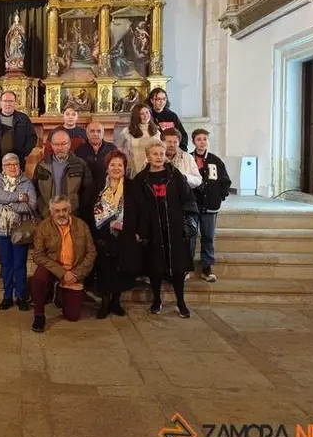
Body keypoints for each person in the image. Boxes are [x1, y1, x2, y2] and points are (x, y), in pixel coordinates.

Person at [128, 140, 199, 318]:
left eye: (161, 153)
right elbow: (136, 207)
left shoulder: (176, 176)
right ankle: (157, 300)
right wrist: (139, 230)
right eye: (155, 154)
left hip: (175, 229)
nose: (159, 157)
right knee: (156, 267)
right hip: (152, 230)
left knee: (177, 268)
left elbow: (188, 201)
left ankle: (181, 301)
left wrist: (186, 225)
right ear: (148, 156)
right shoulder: (141, 180)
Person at [30, 196, 96, 333]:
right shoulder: (43, 227)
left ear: (69, 210)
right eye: (57, 211)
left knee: (72, 316)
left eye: (64, 210)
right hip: (53, 269)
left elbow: (91, 253)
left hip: (74, 271)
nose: (61, 214)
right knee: (39, 277)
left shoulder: (82, 226)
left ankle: (60, 292)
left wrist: (76, 274)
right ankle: (39, 315)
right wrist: (62, 273)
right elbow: (38, 255)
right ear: (51, 212)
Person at [0, 90, 37, 226]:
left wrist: (22, 154)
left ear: (15, 103)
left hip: (16, 164)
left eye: (11, 101)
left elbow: (32, 138)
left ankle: (17, 219)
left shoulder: (23, 119)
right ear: (0, 103)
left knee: (16, 191)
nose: (8, 104)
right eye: (5, 101)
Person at [0, 153, 37, 311]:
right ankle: (7, 296)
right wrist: (17, 197)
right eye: (8, 164)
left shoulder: (27, 182)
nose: (12, 167)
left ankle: (22, 296)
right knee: (6, 264)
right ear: (3, 167)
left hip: (20, 229)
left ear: (20, 166)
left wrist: (10, 203)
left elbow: (31, 205)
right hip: (1, 229)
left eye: (15, 164)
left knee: (19, 264)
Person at [91, 150, 136, 318]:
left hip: (125, 235)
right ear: (107, 167)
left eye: (120, 165)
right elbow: (89, 208)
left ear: (124, 168)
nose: (116, 168)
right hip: (103, 235)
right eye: (112, 165)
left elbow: (140, 211)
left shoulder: (132, 186)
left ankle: (116, 303)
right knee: (104, 271)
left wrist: (137, 232)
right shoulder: (98, 186)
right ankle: (104, 304)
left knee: (120, 270)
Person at [191, 129, 232, 283]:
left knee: (208, 236)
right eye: (199, 139)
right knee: (190, 237)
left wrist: (219, 196)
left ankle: (207, 266)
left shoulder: (215, 160)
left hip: (210, 205)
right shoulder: (189, 159)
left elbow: (225, 181)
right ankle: (187, 266)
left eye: (205, 139)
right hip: (192, 205)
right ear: (193, 142)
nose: (202, 142)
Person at [33, 129, 92, 219]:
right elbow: (35, 191)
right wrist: (41, 211)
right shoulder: (42, 165)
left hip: (72, 216)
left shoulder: (80, 164)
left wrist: (79, 212)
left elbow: (87, 191)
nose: (60, 147)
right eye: (56, 144)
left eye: (64, 143)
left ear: (69, 144)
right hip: (47, 215)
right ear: (51, 145)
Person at [117, 101, 160, 178]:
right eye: (142, 114)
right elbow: (118, 148)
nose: (146, 115)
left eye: (147, 112)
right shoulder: (127, 131)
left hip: (153, 169)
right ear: (136, 116)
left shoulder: (156, 131)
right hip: (134, 169)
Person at [75, 121, 117, 193]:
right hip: (86, 190)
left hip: (108, 190)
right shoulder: (79, 150)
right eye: (92, 131)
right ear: (87, 134)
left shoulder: (112, 149)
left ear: (103, 133)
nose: (95, 134)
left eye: (98, 131)